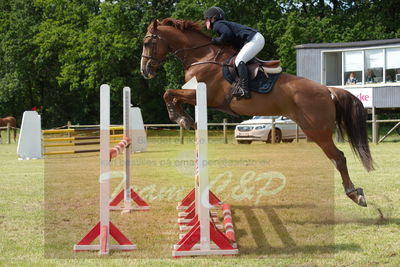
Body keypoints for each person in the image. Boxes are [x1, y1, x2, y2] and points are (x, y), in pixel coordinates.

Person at [204, 7, 265, 100]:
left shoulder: (217, 24)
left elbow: (227, 34)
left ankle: (245, 89)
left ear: (212, 18)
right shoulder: (222, 24)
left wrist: (215, 40)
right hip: (254, 39)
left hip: (254, 40)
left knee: (239, 61)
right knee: (238, 59)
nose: (205, 22)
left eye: (206, 19)